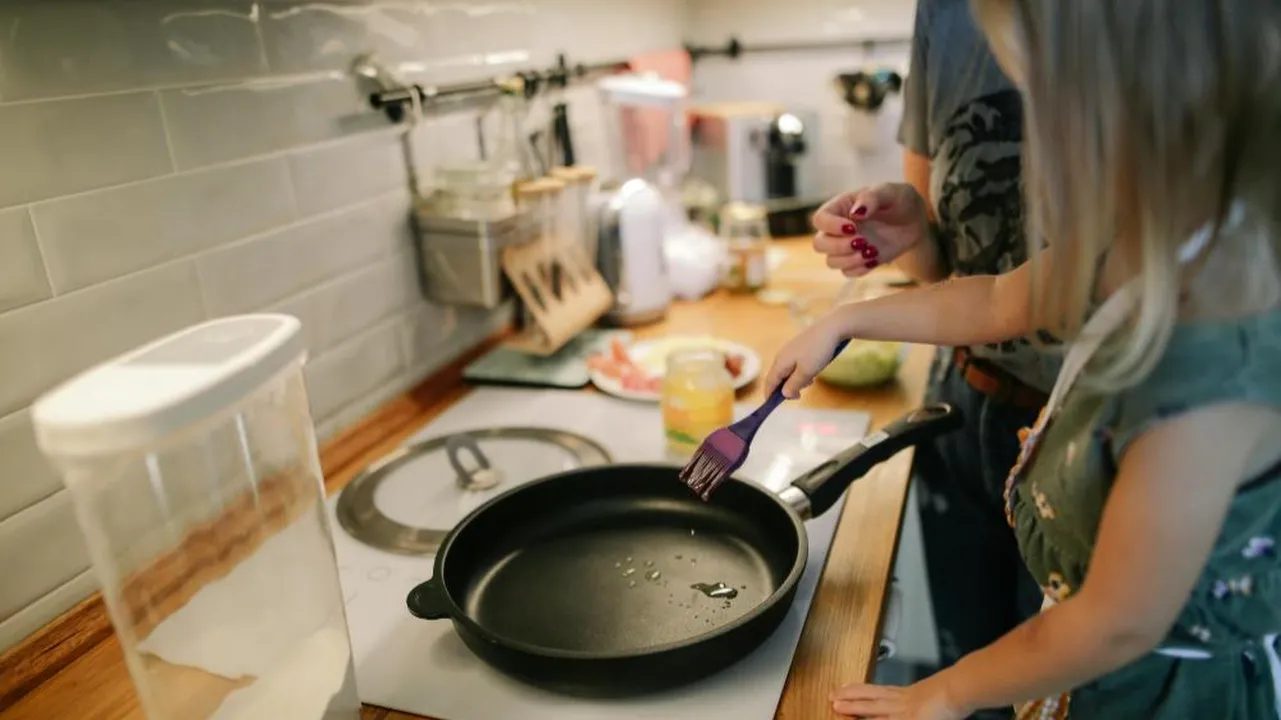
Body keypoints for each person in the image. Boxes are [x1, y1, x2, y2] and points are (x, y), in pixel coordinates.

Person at [770, 0, 1281, 717]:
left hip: (1151, 693)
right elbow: (996, 303)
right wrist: (846, 320)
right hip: (1081, 662)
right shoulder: (1152, 237)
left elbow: (1113, 623)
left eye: (1046, 98)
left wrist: (943, 694)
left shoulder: (1207, 363)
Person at [814, 0, 1046, 703]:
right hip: (965, 407)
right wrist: (909, 229)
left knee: (1052, 685)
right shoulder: (945, 14)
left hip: (1098, 431)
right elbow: (963, 279)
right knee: (968, 667)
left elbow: (1113, 625)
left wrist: (850, 321)